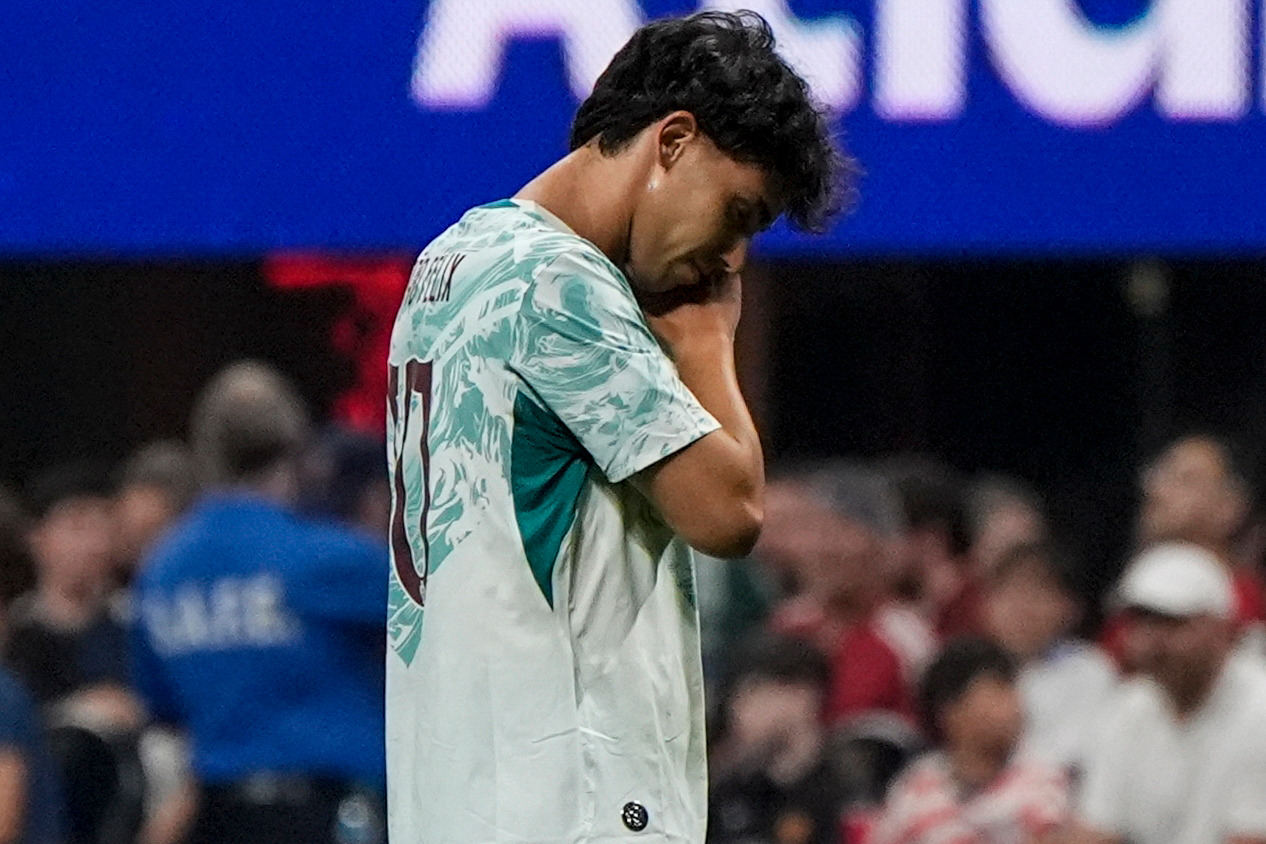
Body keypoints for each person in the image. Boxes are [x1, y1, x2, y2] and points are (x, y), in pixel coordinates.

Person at [385, 11, 846, 844]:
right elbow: (729, 512)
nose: (732, 259)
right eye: (738, 213)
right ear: (673, 141)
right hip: (569, 800)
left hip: (461, 791)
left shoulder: (448, 261)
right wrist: (706, 345)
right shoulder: (558, 281)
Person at [130, 361, 388, 844]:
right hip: (327, 813)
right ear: (299, 450)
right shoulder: (332, 558)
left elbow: (161, 705)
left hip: (219, 816)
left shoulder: (161, 571)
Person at [1075, 543, 1266, 844]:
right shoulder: (1127, 707)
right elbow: (1096, 830)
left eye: (1171, 623)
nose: (1153, 641)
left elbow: (1251, 837)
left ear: (1220, 627)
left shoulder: (1258, 708)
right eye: (1141, 623)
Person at [763, 464, 926, 727]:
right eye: (816, 531)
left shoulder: (906, 639)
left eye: (838, 531)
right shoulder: (787, 626)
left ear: (878, 548)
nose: (824, 548)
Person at [867, 637, 1071, 844]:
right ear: (950, 711)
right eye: (997, 693)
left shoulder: (1041, 780)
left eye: (1013, 691)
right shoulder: (915, 789)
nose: (1014, 707)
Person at [1102, 433, 1266, 671]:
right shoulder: (1134, 592)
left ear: (1228, 508)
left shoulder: (1246, 605)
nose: (1157, 490)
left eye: (1185, 479)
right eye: (1159, 474)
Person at [4, 464, 137, 722]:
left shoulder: (133, 619)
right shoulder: (15, 633)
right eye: (78, 526)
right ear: (37, 536)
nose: (96, 542)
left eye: (105, 525)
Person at [980, 542, 1116, 776]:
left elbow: (1077, 757)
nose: (1021, 608)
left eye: (1036, 594)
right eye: (1009, 592)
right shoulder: (974, 670)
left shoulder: (1090, 670)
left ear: (1070, 608)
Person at [707, 635, 842, 844]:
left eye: (757, 691)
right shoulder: (729, 781)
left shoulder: (838, 784)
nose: (742, 707)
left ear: (803, 698)